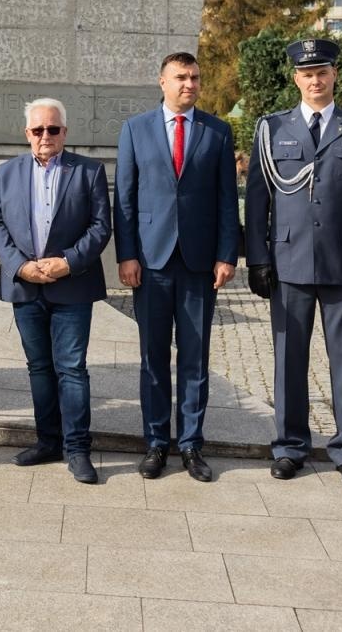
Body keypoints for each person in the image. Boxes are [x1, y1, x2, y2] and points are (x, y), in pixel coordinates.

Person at [246, 38, 342, 486]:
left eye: (322, 72)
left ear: (334, 75)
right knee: (289, 361)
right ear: (295, 79)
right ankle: (289, 446)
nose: (315, 80)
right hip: (289, 262)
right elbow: (258, 199)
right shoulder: (272, 128)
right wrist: (257, 258)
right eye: (307, 74)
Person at [114, 53, 240, 483]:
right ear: (162, 82)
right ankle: (155, 443)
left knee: (194, 358)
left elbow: (227, 199)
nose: (190, 84)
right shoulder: (135, 129)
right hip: (151, 262)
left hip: (199, 264)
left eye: (195, 77)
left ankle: (190, 444)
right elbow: (124, 198)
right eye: (181, 77)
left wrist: (227, 255)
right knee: (152, 357)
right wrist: (126, 255)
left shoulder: (217, 131)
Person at [0, 99, 112, 484]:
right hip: (26, 286)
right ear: (27, 133)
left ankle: (78, 449)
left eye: (53, 129)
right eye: (38, 129)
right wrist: (20, 266)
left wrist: (67, 262)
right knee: (39, 368)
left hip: (72, 285)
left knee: (71, 369)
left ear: (65, 132)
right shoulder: (6, 172)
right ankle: (48, 442)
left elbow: (100, 226)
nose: (46, 136)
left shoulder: (89, 171)